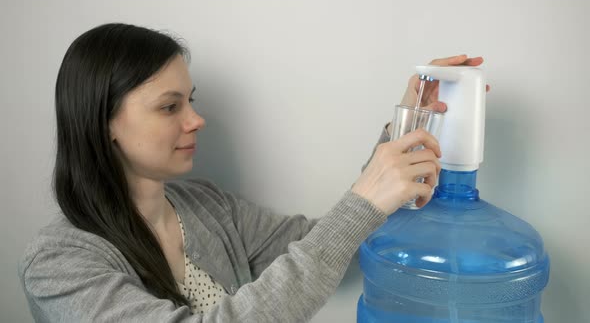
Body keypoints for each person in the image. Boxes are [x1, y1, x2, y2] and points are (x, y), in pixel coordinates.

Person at [18, 23, 487, 322]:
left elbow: (331, 246)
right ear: (104, 123)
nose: (195, 119)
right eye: (169, 106)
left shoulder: (208, 205)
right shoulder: (59, 265)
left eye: (191, 99)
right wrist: (364, 199)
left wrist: (405, 128)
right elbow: (340, 234)